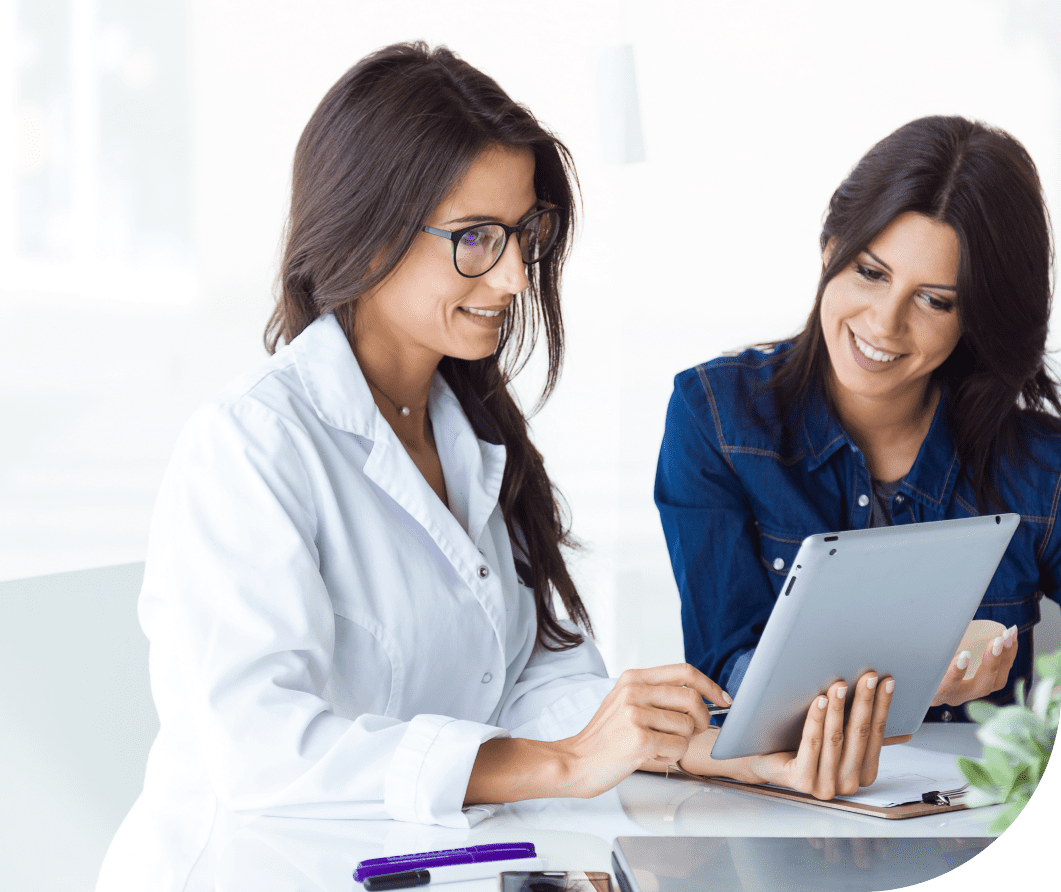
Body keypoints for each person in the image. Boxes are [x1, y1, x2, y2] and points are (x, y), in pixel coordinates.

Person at [97, 43, 898, 892]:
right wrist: (560, 765)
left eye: (525, 235)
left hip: (431, 867)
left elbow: (530, 673)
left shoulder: (474, 432)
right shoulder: (251, 446)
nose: (517, 274)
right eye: (476, 238)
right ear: (366, 231)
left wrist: (687, 747)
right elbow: (259, 749)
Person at [656, 115, 1060, 724]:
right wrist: (906, 680)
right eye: (870, 272)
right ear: (829, 252)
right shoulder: (717, 420)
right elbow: (720, 671)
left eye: (934, 300)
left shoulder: (1038, 469)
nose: (883, 323)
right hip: (775, 807)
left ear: (975, 316)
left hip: (972, 814)